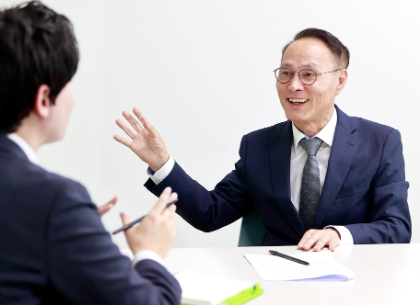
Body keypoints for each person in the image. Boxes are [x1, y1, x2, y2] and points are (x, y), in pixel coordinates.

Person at [114, 28, 412, 252]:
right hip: (274, 284)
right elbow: (211, 212)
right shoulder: (258, 147)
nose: (294, 85)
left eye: (308, 74)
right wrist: (161, 163)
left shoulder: (380, 141)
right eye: (286, 73)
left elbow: (397, 227)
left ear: (340, 81)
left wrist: (339, 235)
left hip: (354, 285)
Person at [0, 2, 181, 304]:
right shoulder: (54, 201)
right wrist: (149, 255)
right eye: (69, 80)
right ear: (45, 98)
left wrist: (75, 233)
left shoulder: (48, 206)